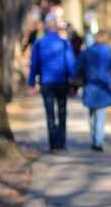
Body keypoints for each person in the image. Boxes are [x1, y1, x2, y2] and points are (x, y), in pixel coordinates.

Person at [28, 13, 76, 152]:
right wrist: (73, 83)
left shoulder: (39, 43)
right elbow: (70, 63)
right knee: (62, 111)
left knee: (49, 113)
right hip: (62, 82)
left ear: (46, 27)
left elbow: (34, 64)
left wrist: (32, 82)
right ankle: (61, 142)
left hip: (46, 82)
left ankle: (53, 143)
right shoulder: (64, 42)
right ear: (56, 27)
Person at [74, 31, 111, 151]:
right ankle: (98, 140)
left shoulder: (88, 51)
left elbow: (78, 66)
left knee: (92, 112)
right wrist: (110, 78)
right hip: (104, 86)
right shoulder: (110, 52)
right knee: (101, 113)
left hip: (90, 85)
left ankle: (94, 137)